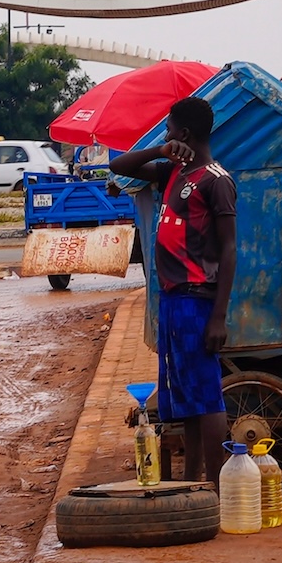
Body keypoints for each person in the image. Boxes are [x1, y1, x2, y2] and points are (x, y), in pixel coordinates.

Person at [108, 97, 236, 488]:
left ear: (185, 134)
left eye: (168, 130)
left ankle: (215, 490)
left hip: (198, 301)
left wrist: (218, 316)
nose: (165, 135)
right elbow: (120, 166)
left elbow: (229, 249)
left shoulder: (216, 180)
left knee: (207, 399)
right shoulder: (172, 173)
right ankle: (192, 481)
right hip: (173, 302)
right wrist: (161, 151)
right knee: (185, 403)